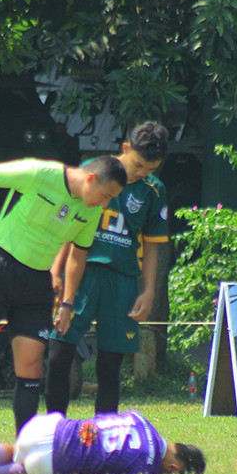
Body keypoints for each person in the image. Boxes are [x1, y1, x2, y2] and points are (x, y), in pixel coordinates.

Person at [0, 155, 128, 462]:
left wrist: (67, 303)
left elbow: (78, 256)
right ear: (91, 179)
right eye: (106, 196)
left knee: (30, 368)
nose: (105, 204)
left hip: (38, 285)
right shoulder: (40, 173)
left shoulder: (90, 210)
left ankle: (25, 454)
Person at [45, 122, 171, 416]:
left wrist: (149, 291)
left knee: (109, 365)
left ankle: (105, 434)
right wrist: (54, 268)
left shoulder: (154, 190)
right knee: (59, 355)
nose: (141, 173)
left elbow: (152, 245)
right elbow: (67, 223)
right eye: (138, 165)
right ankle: (54, 430)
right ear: (126, 148)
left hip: (122, 278)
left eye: (150, 169)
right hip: (81, 272)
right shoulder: (93, 170)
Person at [0, 410, 206, 474]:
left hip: (44, 427)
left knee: (14, 450)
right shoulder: (145, 467)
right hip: (51, 460)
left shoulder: (139, 417)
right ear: (174, 467)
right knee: (24, 470)